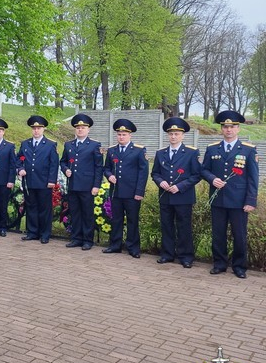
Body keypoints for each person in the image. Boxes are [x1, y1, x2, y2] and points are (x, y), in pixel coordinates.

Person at [201, 110, 259, 279]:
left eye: (232, 127)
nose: (228, 130)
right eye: (225, 127)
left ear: (238, 129)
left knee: (239, 235)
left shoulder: (248, 150)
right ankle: (219, 263)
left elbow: (253, 178)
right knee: (218, 234)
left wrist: (251, 200)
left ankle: (239, 266)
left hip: (239, 201)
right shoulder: (212, 149)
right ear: (221, 129)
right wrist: (212, 179)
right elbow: (203, 170)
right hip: (218, 199)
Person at [151, 117, 201, 268]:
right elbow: (155, 173)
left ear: (183, 135)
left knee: (184, 227)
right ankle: (167, 254)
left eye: (177, 134)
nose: (173, 136)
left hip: (183, 196)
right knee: (166, 226)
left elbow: (197, 175)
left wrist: (180, 186)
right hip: (165, 196)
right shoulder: (161, 153)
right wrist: (161, 182)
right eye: (171, 134)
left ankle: (186, 256)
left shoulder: (191, 153)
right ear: (168, 135)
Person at [102, 119, 148, 258]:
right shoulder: (111, 151)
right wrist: (109, 176)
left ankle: (133, 247)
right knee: (116, 219)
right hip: (116, 192)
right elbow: (106, 168)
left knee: (132, 220)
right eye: (119, 134)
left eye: (124, 134)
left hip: (132, 193)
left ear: (130, 136)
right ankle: (115, 245)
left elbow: (143, 173)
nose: (121, 137)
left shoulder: (139, 150)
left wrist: (139, 192)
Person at [60, 114, 103, 250]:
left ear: (88, 129)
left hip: (87, 185)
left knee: (87, 213)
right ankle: (76, 238)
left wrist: (96, 185)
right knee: (75, 213)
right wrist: (66, 169)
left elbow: (98, 167)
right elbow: (63, 162)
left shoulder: (94, 145)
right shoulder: (69, 145)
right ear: (75, 129)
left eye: (83, 127)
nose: (80, 130)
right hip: (73, 185)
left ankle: (87, 240)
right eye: (78, 127)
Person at [17, 116, 58, 243]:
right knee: (31, 207)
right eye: (34, 128)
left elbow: (54, 164)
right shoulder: (25, 144)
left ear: (43, 129)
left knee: (44, 209)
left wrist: (52, 180)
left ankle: (45, 234)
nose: (36, 131)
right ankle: (32, 232)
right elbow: (18, 159)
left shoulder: (50, 144)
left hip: (44, 182)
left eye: (39, 128)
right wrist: (19, 169)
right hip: (29, 182)